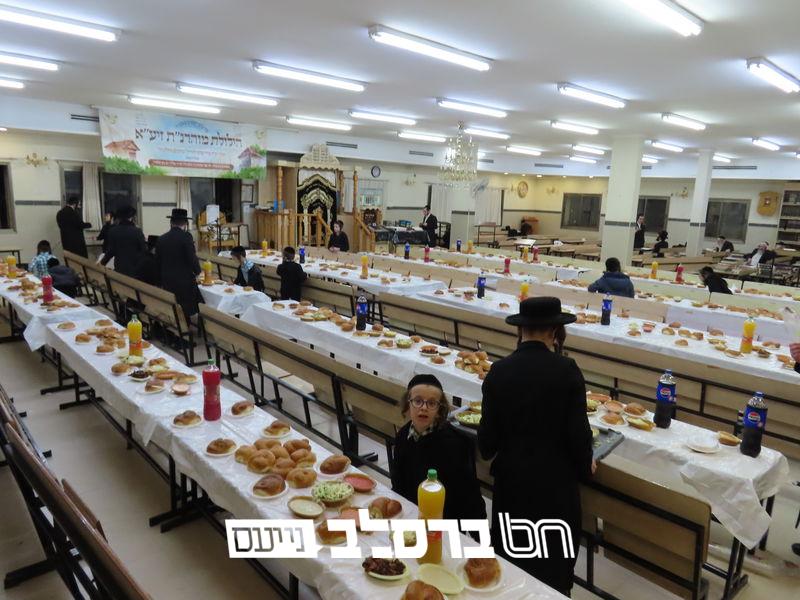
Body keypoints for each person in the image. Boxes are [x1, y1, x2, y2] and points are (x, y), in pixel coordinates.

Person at [478, 297, 594, 596]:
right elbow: (579, 435)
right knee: (554, 573)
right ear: (555, 331)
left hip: (512, 487)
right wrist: (586, 467)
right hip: (555, 489)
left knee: (511, 567)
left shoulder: (498, 371)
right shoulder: (567, 370)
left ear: (521, 330)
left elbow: (487, 443)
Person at [390, 374, 486, 522]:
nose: (424, 408)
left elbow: (470, 497)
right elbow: (397, 483)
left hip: (444, 520)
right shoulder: (402, 436)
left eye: (432, 403)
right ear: (407, 405)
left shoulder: (455, 444)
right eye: (417, 401)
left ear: (440, 410)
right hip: (411, 515)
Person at [156, 208, 201, 319]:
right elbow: (192, 258)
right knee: (200, 299)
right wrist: (198, 271)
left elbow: (157, 262)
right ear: (185, 224)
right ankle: (190, 323)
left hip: (167, 281)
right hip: (184, 283)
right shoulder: (186, 237)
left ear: (171, 223)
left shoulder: (161, 239)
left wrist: (159, 282)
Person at [99, 205, 146, 277]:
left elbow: (110, 251)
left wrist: (102, 263)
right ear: (131, 217)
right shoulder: (137, 231)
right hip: (135, 269)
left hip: (119, 268)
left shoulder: (113, 231)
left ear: (119, 218)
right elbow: (143, 250)